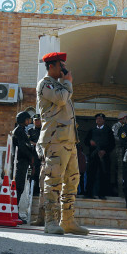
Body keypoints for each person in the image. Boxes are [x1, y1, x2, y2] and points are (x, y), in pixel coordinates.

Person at [36, 52, 88, 235]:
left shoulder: (61, 85)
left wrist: (66, 83)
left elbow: (65, 98)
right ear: (51, 66)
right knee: (54, 180)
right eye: (61, 65)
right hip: (55, 139)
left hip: (69, 140)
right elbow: (61, 99)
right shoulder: (46, 84)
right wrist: (68, 82)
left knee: (72, 180)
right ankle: (50, 221)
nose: (64, 69)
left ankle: (67, 220)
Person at [84, 113, 115, 199]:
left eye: (100, 119)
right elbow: (85, 141)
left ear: (104, 120)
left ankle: (102, 194)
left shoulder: (108, 130)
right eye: (97, 119)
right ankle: (89, 193)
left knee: (103, 175)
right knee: (91, 174)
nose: (99, 120)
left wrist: (105, 151)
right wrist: (90, 142)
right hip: (93, 155)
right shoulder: (92, 130)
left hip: (104, 157)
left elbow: (112, 144)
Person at [13, 111, 36, 203]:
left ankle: (16, 210)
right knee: (19, 186)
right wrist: (31, 157)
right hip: (21, 161)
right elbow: (22, 147)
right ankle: (15, 210)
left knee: (21, 186)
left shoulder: (21, 130)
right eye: (27, 119)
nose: (29, 121)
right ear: (23, 120)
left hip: (23, 161)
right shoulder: (19, 131)